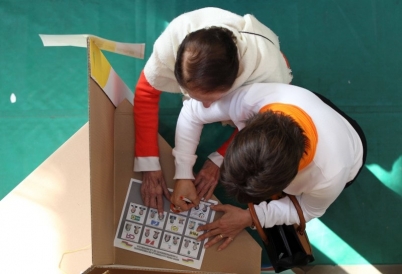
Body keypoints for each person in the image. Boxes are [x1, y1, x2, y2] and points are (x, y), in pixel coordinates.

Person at [133, 7, 293, 215]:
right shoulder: (172, 41)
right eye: (194, 97)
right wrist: (150, 163)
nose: (205, 109)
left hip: (266, 59)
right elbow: (147, 93)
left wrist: (218, 160)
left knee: (265, 112)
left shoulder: (268, 77)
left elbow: (257, 124)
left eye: (213, 100)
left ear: (234, 83)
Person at [171, 83, 367, 251]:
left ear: (290, 179)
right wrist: (183, 174)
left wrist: (251, 217)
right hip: (306, 102)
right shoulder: (250, 100)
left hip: (351, 142)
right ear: (246, 126)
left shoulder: (330, 175)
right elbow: (191, 112)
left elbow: (309, 209)